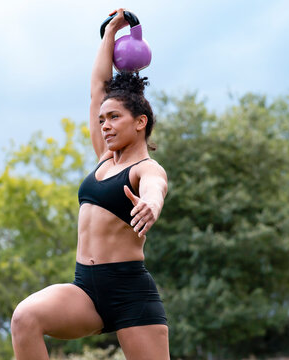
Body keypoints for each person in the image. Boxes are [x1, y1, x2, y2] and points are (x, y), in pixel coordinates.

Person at [11, 8, 170, 360]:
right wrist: (111, 33)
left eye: (115, 117)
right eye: (102, 120)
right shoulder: (103, 157)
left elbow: (154, 189)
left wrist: (151, 205)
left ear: (140, 121)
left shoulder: (147, 168)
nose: (105, 125)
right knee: (25, 318)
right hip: (85, 290)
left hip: (130, 295)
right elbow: (98, 89)